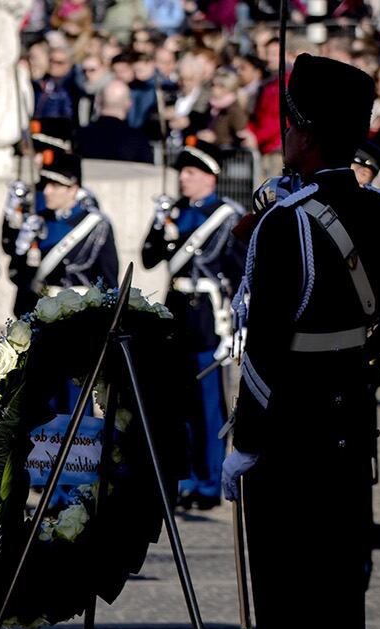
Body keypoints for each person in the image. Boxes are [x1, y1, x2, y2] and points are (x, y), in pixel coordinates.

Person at [221, 55, 380, 629]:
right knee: (339, 615)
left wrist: (243, 442)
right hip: (351, 431)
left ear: (304, 132)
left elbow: (264, 350)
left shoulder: (289, 221)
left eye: (291, 122)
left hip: (289, 444)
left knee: (290, 617)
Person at [142, 142, 240, 511]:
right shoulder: (175, 212)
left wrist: (235, 329)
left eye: (191, 172)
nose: (183, 178)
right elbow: (150, 258)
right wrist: (159, 227)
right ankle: (182, 479)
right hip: (176, 314)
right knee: (177, 404)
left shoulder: (227, 216)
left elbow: (240, 273)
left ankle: (208, 483)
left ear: (210, 178)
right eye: (182, 171)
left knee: (209, 406)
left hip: (207, 320)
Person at [7, 148, 118, 320]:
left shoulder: (96, 224)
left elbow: (109, 280)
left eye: (56, 185)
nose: (46, 191)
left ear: (73, 189)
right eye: (46, 184)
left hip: (79, 316)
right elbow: (17, 276)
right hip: (39, 314)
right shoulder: (37, 221)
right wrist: (21, 248)